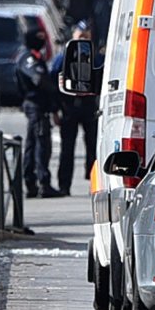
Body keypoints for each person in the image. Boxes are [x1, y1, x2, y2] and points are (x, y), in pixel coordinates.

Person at [50, 21, 100, 196]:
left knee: (93, 148)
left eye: (86, 35)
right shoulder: (64, 55)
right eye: (80, 35)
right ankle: (64, 185)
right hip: (69, 107)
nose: (83, 38)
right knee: (67, 149)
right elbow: (52, 82)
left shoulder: (95, 55)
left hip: (89, 107)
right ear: (74, 35)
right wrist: (54, 109)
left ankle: (94, 184)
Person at [16, 27, 64, 198]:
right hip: (35, 105)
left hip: (38, 106)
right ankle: (42, 182)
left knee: (33, 144)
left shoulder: (32, 56)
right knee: (41, 146)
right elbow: (39, 79)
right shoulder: (29, 58)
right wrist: (54, 90)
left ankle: (31, 182)